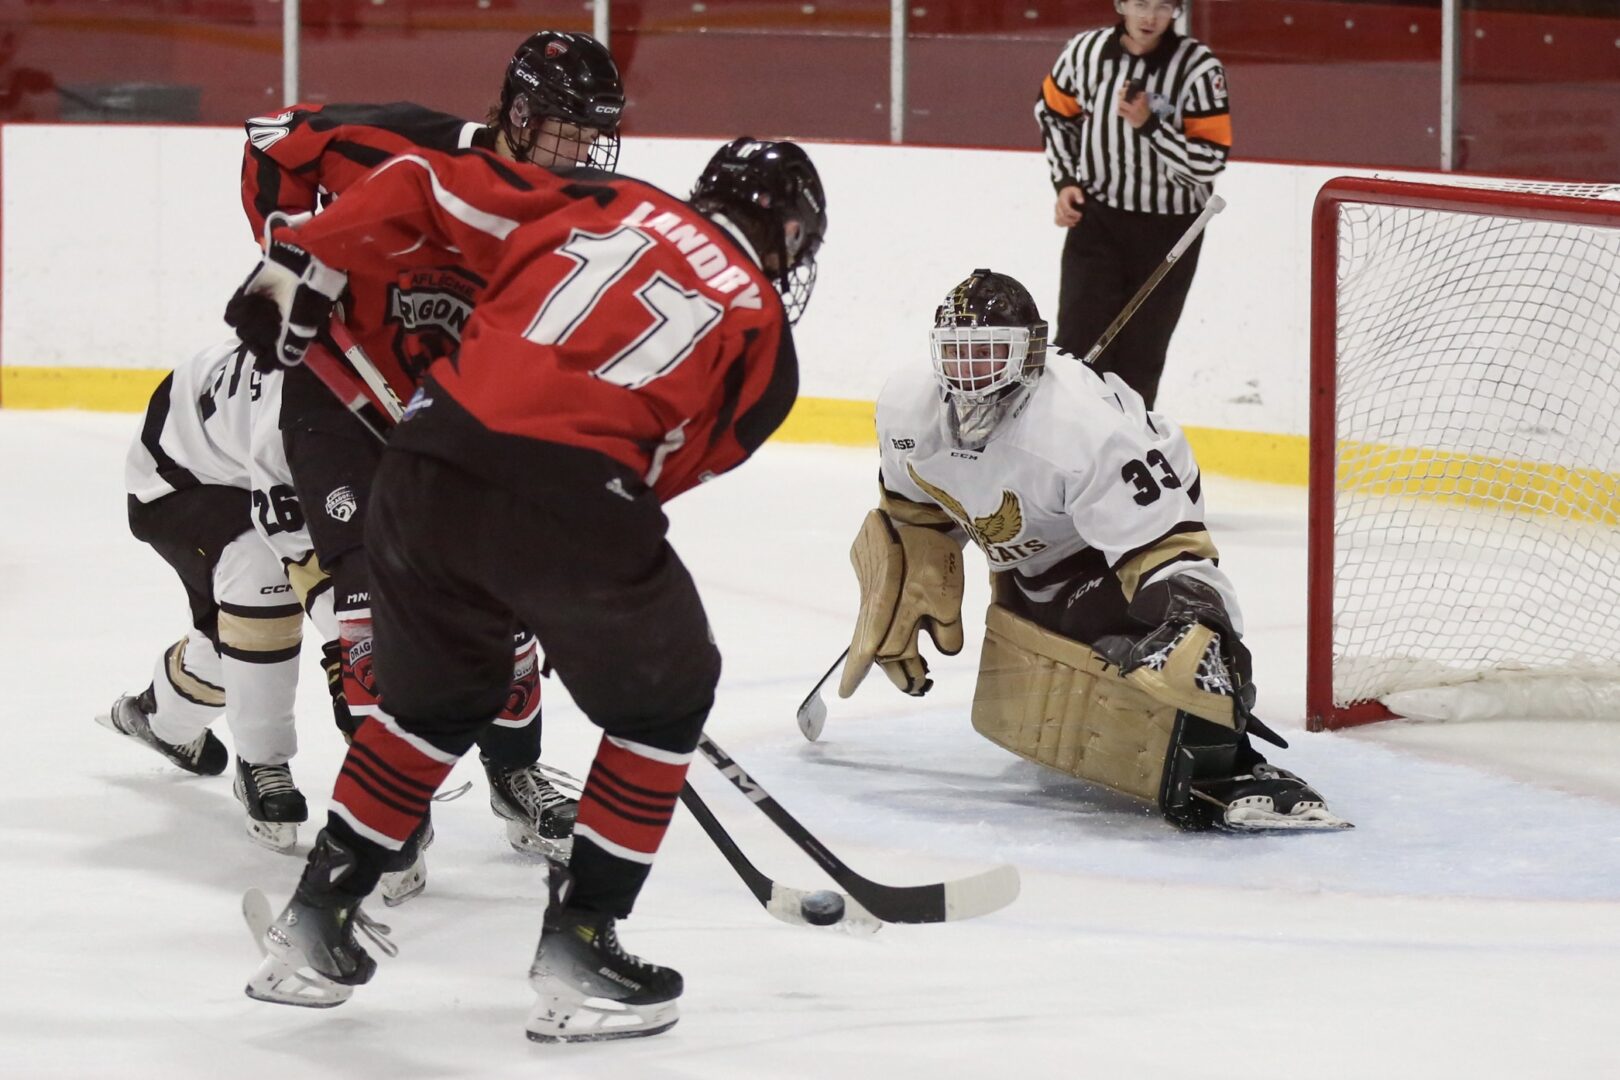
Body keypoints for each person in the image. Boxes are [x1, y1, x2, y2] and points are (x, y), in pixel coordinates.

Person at [225, 135, 827, 1041]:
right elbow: (665, 470)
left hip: (423, 466)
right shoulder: (765, 341)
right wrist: (539, 569)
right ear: (786, 236)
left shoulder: (597, 197)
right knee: (668, 698)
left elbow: (419, 180)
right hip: (569, 499)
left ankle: (314, 922)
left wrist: (296, 255)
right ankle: (584, 942)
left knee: (435, 704)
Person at [238, 30, 628, 873]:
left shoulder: (564, 223)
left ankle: (515, 776)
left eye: (596, 135)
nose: (584, 151)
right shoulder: (404, 147)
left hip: (446, 426)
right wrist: (287, 247)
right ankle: (390, 808)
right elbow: (272, 136)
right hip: (338, 402)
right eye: (570, 129)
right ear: (518, 115)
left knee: (504, 610)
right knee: (369, 616)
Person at [836, 268, 1347, 834]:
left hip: (1117, 533)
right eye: (956, 354)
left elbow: (1170, 550)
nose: (969, 373)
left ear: (1028, 352)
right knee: (1036, 666)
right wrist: (910, 564)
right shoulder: (906, 406)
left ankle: (1228, 762)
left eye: (988, 353)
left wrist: (1193, 623)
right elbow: (915, 510)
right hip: (1037, 537)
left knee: (1129, 648)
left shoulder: (1083, 428)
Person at [97, 341, 332, 852]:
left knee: (226, 640)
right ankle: (263, 761)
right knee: (262, 574)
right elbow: (295, 542)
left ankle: (158, 717)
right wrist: (352, 640)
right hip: (180, 482)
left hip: (244, 461)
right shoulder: (296, 397)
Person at [1035, 0, 1230, 408]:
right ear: (1121, 3)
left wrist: (1150, 126)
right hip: (1098, 219)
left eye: (1162, 6)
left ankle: (1124, 456)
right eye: (1140, 3)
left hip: (1169, 230)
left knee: (1141, 356)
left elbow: (1209, 159)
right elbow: (1053, 113)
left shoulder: (1198, 68)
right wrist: (1066, 180)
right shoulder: (1084, 52)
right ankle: (1065, 446)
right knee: (1076, 348)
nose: (1149, 17)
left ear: (1177, 10)